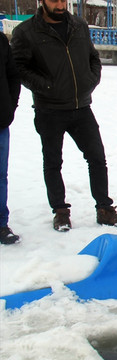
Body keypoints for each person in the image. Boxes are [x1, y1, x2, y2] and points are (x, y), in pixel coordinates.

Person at [11, 0, 117, 231]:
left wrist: (90, 80)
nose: (60, 4)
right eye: (54, 0)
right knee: (53, 162)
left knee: (97, 158)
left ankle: (104, 208)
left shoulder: (79, 25)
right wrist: (46, 86)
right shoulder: (26, 32)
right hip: (49, 109)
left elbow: (93, 57)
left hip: (81, 107)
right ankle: (61, 212)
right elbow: (19, 67)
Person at [0, 32, 21, 245]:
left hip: (0, 122)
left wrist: (9, 107)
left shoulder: (1, 41)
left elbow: (13, 75)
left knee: (0, 176)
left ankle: (1, 224)